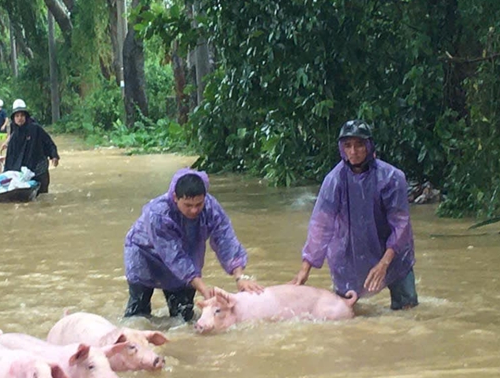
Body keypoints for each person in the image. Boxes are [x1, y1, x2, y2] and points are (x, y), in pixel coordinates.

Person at [291, 119, 418, 309]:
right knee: (346, 311)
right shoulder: (334, 180)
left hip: (393, 253)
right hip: (349, 253)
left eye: (359, 145)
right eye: (348, 145)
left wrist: (384, 263)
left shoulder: (392, 178)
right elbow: (321, 226)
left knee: (407, 310)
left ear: (369, 146)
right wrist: (305, 269)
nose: (353, 151)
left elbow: (400, 225)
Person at [123, 169, 263, 322]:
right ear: (176, 198)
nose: (194, 210)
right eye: (188, 205)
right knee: (138, 315)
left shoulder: (210, 207)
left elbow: (226, 239)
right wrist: (202, 287)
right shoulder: (157, 214)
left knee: (183, 318)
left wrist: (240, 276)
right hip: (145, 255)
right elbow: (174, 257)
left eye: (199, 204)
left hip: (186, 256)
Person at [3, 99, 60, 193]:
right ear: (14, 118)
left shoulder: (35, 129)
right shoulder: (13, 137)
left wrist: (54, 156)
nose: (20, 118)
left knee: (42, 197)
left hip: (39, 170)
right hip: (23, 174)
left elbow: (49, 143)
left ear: (26, 116)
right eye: (17, 116)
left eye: (22, 115)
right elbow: (10, 159)